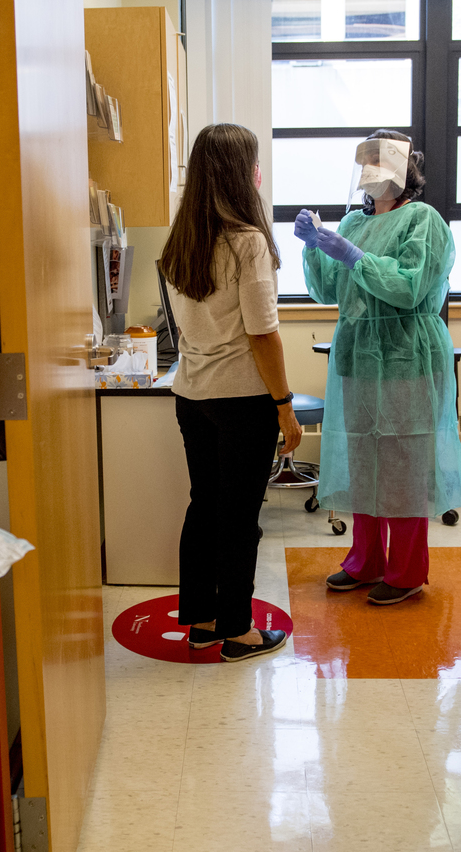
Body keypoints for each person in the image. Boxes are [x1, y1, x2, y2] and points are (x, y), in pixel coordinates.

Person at [293, 129, 461, 605]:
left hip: (406, 353)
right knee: (363, 460)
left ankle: (406, 570)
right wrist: (314, 246)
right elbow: (327, 291)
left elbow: (409, 288)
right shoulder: (353, 222)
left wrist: (355, 257)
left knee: (404, 466)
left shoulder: (424, 220)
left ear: (401, 168)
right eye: (365, 162)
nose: (369, 172)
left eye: (379, 161)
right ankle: (365, 561)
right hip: (357, 354)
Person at [158, 123, 301, 662]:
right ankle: (238, 631)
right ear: (243, 174)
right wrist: (285, 407)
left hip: (192, 397)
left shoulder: (182, 241)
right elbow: (263, 333)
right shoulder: (248, 242)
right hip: (242, 400)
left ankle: (201, 619)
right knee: (240, 515)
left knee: (205, 506)